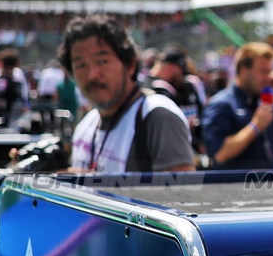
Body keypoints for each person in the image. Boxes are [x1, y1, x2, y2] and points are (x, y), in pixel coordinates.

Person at [64, 15, 195, 174]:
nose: (92, 75)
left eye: (102, 61)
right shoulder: (86, 124)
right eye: (80, 65)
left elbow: (182, 194)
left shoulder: (157, 116)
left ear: (131, 65)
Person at [202, 43, 273, 170]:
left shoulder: (262, 101)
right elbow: (219, 154)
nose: (269, 77)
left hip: (268, 184)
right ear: (243, 71)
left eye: (270, 71)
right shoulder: (221, 104)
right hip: (236, 187)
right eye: (263, 71)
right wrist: (255, 127)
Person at [147, 47, 205, 149]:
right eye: (181, 70)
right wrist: (185, 125)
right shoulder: (154, 89)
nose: (183, 75)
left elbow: (202, 113)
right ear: (173, 68)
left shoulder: (189, 86)